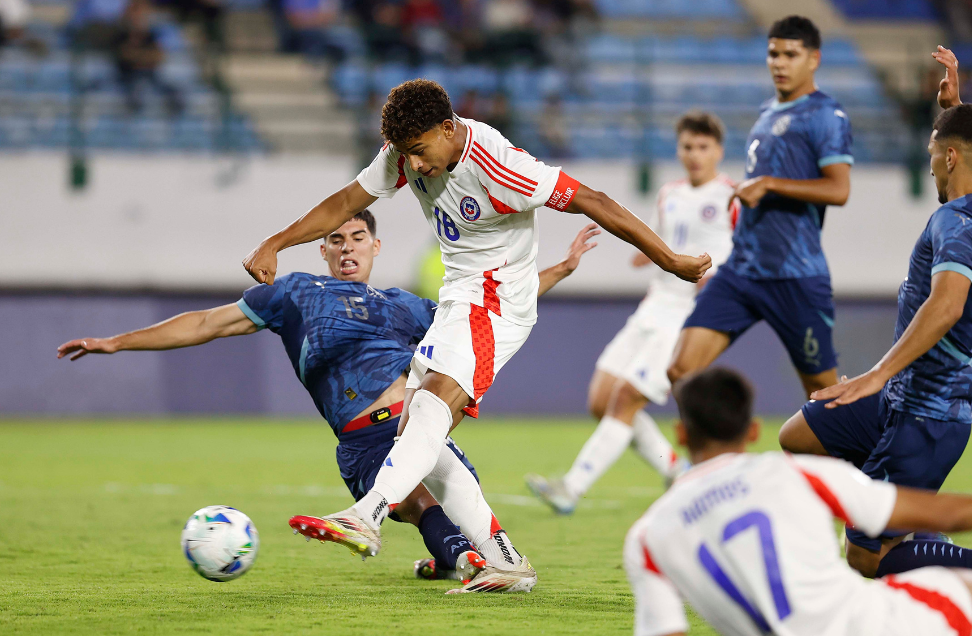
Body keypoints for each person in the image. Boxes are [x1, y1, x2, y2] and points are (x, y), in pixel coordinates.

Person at [240, 78, 710, 590]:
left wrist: (670, 259)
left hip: (497, 302)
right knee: (417, 434)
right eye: (405, 154)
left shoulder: (500, 166)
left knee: (430, 408)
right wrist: (277, 241)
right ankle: (505, 561)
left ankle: (367, 515)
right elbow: (347, 200)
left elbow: (594, 200)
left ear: (448, 129)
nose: (412, 165)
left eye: (419, 151)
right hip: (458, 299)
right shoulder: (404, 152)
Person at [57, 210, 601, 593]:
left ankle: (447, 552)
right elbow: (205, 323)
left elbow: (488, 311)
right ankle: (459, 556)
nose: (347, 248)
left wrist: (560, 269)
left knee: (439, 489)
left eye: (357, 238)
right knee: (422, 502)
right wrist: (117, 342)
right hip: (365, 436)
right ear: (322, 249)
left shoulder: (404, 305)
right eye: (336, 240)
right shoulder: (295, 294)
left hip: (423, 424)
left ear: (375, 246)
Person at [781, 46, 972, 585]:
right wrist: (955, 107)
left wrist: (874, 373)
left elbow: (946, 305)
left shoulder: (957, 225)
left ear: (950, 158)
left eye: (933, 153)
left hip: (927, 412)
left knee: (865, 559)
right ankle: (911, 526)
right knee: (799, 436)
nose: (929, 164)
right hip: (902, 393)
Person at [625, 367, 972, 636]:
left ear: (680, 435)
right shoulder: (799, 475)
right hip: (874, 625)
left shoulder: (647, 536)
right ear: (753, 431)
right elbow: (932, 510)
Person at [526, 110, 738, 514]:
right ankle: (675, 468)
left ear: (719, 151)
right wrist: (647, 255)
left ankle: (571, 487)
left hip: (689, 313)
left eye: (703, 147)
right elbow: (662, 239)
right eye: (688, 147)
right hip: (654, 304)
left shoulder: (732, 195)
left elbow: (745, 249)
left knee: (626, 397)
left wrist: (721, 277)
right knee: (600, 399)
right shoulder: (670, 193)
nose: (695, 155)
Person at [665, 16, 852, 402]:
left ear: (814, 59)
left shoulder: (825, 115)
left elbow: (839, 189)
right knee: (681, 371)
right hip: (742, 270)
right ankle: (723, 442)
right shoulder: (768, 114)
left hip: (794, 275)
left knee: (824, 397)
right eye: (773, 54)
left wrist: (768, 184)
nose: (779, 63)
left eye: (790, 55)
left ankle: (860, 443)